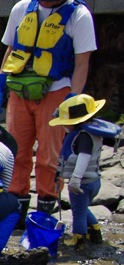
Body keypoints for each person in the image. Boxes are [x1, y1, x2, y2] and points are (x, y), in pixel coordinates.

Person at [0, 0, 97, 223]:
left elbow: (83, 62)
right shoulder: (22, 8)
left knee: (49, 157)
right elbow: (11, 49)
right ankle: (15, 212)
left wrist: (72, 101)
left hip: (57, 90)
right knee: (15, 151)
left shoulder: (79, 16)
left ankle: (45, 211)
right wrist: (0, 81)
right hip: (20, 89)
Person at [53, 93, 118, 251]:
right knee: (82, 208)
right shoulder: (93, 132)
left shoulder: (82, 136)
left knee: (78, 213)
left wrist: (75, 179)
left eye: (65, 123)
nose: (63, 126)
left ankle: (78, 240)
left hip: (82, 183)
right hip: (94, 181)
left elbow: (83, 158)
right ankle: (95, 232)